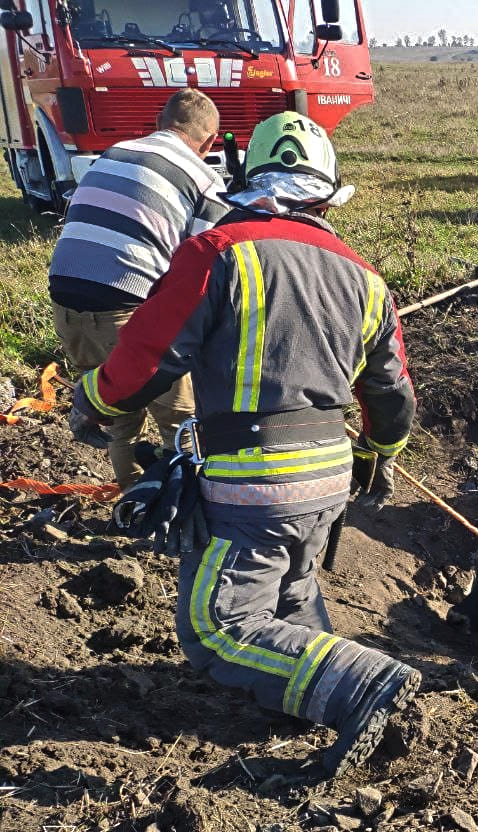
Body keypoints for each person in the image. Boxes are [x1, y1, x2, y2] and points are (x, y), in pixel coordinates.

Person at [68, 112, 420, 778]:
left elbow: (146, 358)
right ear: (327, 194)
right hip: (328, 476)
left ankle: (362, 686)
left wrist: (95, 398)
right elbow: (392, 394)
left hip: (254, 480)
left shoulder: (217, 252)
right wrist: (380, 457)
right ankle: (307, 695)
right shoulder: (368, 281)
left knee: (217, 627)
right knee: (288, 595)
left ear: (248, 177)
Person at [49, 88, 229, 487]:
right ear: (211, 141)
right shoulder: (205, 180)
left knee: (112, 405)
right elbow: (199, 270)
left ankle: (130, 501)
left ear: (159, 124)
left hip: (64, 296)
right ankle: (182, 508)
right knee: (179, 416)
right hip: (125, 302)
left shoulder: (112, 154)